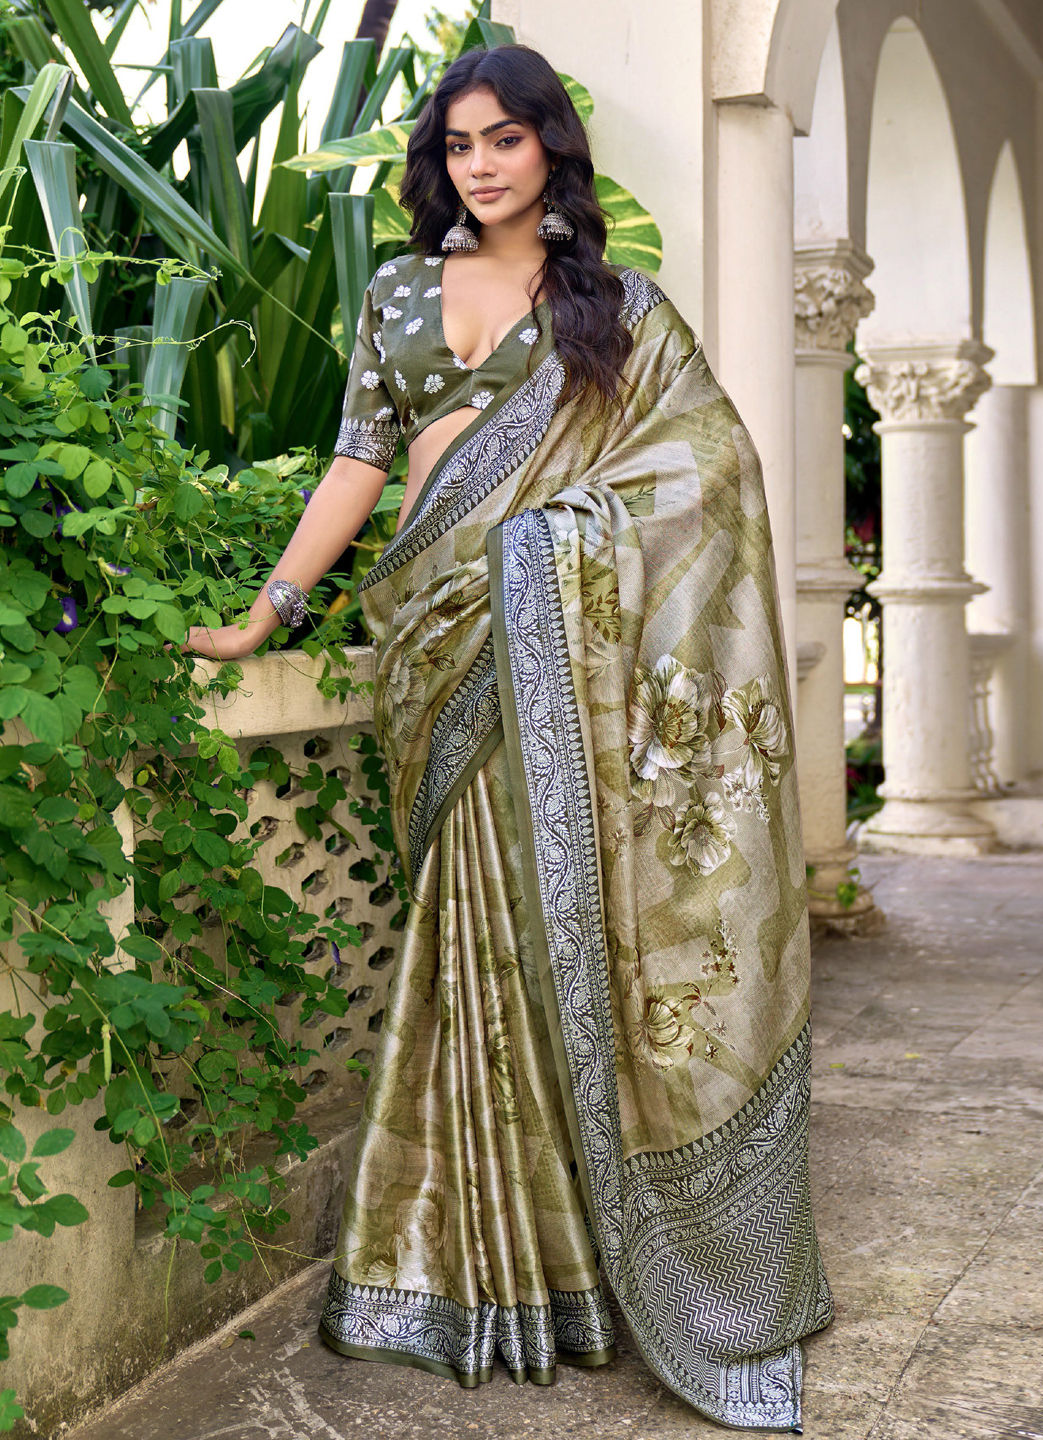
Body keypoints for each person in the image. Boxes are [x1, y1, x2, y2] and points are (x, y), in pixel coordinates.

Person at [184, 42, 833, 1435]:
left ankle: (588, 1265)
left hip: (560, 667)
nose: (479, 166)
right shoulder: (399, 292)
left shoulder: (620, 309)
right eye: (458, 145)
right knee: (470, 934)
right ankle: (471, 1260)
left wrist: (548, 545)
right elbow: (360, 461)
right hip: (440, 655)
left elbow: (708, 469)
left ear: (551, 149)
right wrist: (267, 613)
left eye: (504, 139)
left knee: (564, 931)